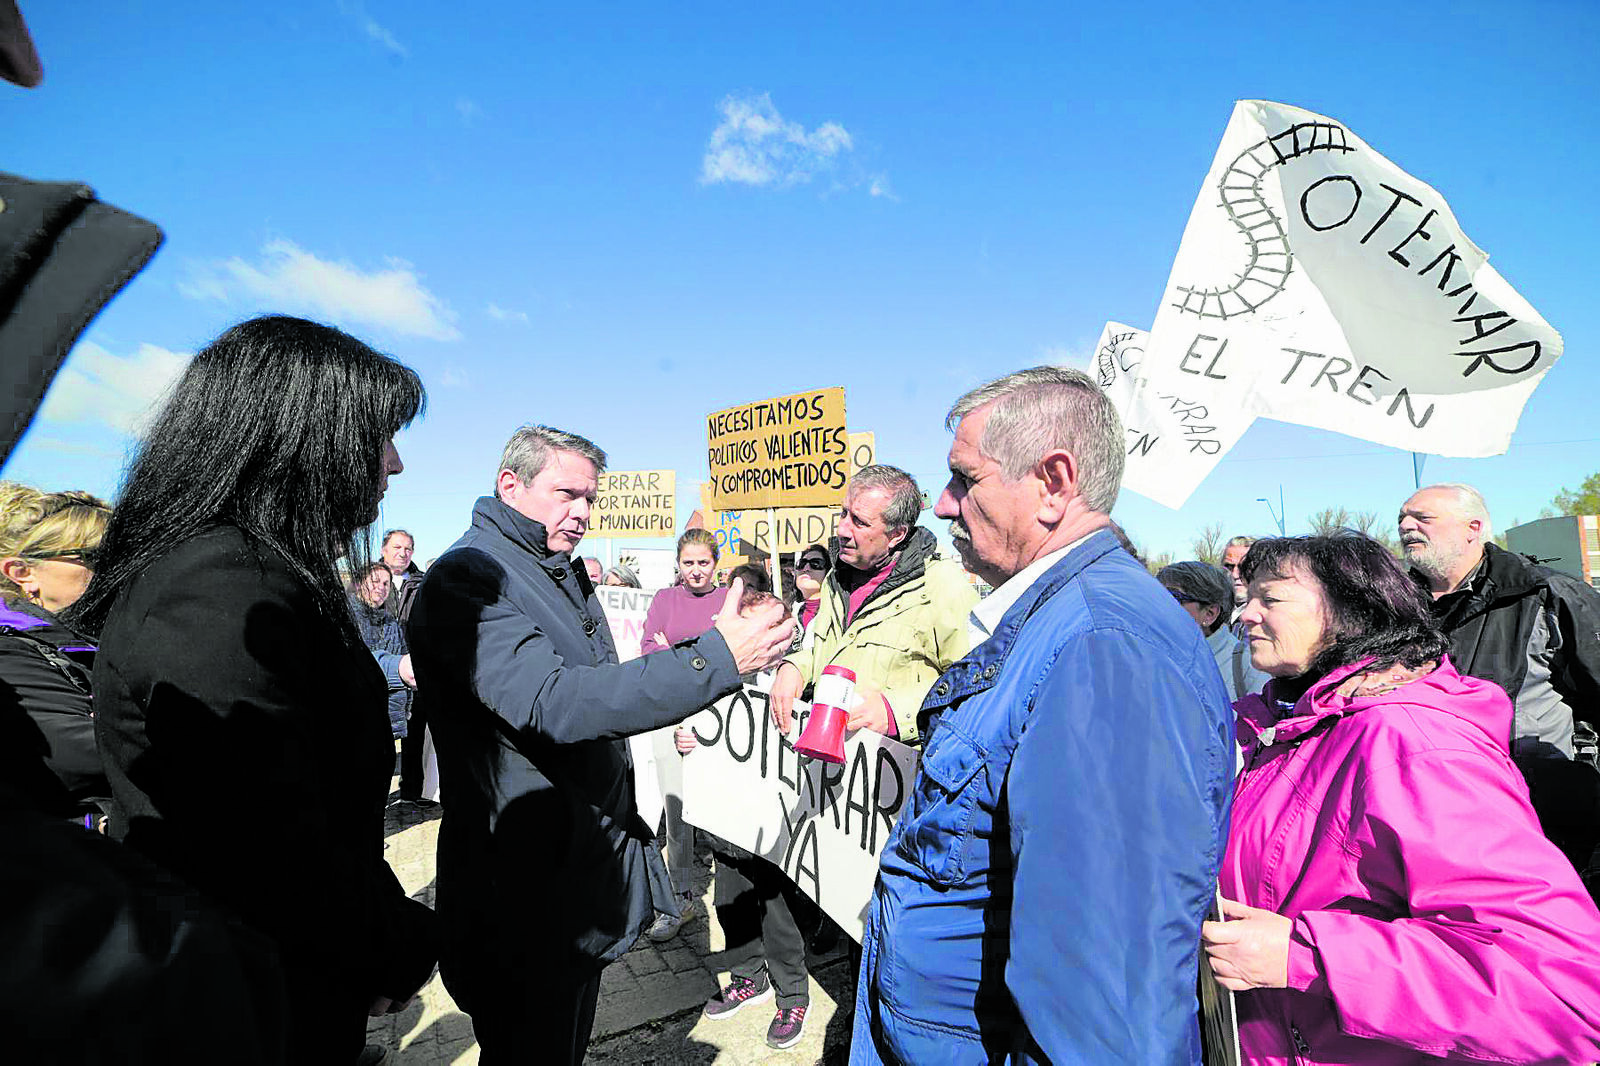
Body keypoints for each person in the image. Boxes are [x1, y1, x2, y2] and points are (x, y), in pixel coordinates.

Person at [71, 315, 439, 1065]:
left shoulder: (252, 570)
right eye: (378, 436)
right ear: (302, 438)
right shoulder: (221, 586)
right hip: (242, 1003)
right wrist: (398, 945)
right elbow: (266, 840)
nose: (394, 464)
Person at [851, 367, 1233, 1064]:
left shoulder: (1105, 645)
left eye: (965, 478)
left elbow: (1104, 1000)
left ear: (1053, 484)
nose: (941, 505)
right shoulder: (1059, 622)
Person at [406, 424, 794, 1065]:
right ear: (511, 485)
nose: (583, 513)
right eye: (566, 493)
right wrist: (714, 660)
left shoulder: (547, 570)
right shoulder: (468, 581)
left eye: (591, 498)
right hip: (522, 893)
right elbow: (556, 703)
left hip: (572, 878)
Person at [1202, 533, 1600, 1064]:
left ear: (1353, 609)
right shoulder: (1273, 728)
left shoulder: (1413, 745)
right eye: (1246, 596)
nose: (1244, 615)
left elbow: (1557, 988)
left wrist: (1304, 957)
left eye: (1270, 598)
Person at [1400, 482, 1600, 881]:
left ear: (1472, 527)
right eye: (1402, 519)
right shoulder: (1395, 608)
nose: (1406, 527)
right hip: (1431, 820)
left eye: (1422, 518)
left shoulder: (1546, 595)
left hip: (1540, 820)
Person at [769, 465, 978, 746]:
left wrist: (895, 712)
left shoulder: (941, 584)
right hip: (833, 771)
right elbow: (827, 653)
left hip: (899, 770)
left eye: (859, 522)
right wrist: (795, 667)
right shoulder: (835, 579)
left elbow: (973, 683)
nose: (842, 529)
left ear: (897, 535)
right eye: (843, 513)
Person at [0, 481, 113, 824]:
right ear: (23, 573)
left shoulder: (106, 638)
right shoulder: (7, 651)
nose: (113, 569)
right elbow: (81, 755)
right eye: (93, 557)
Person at [637, 528, 728, 941]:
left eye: (703, 562)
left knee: (721, 813)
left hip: (721, 718)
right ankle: (680, 897)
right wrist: (695, 656)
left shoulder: (728, 601)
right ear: (678, 564)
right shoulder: (663, 600)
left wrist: (674, 651)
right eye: (688, 563)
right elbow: (647, 650)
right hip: (671, 715)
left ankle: (735, 900)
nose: (695, 571)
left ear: (715, 563)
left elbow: (731, 655)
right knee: (676, 812)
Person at [1159, 559, 1269, 701]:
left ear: (1209, 613)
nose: (1159, 607)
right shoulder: (1149, 656)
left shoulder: (1246, 664)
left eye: (1172, 598)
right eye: (1157, 597)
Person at [349, 562, 416, 741]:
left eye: (386, 583)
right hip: (358, 719)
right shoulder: (347, 619)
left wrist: (406, 709)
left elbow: (406, 663)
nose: (381, 587)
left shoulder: (392, 623)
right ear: (358, 583)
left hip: (391, 720)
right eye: (375, 581)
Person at [791, 543, 829, 650]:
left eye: (816, 563)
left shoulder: (838, 612)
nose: (806, 568)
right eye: (802, 564)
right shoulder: (788, 613)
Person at [1222, 534, 1254, 625]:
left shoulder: (1269, 616)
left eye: (1243, 567)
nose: (1235, 575)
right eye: (1229, 567)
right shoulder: (1212, 612)